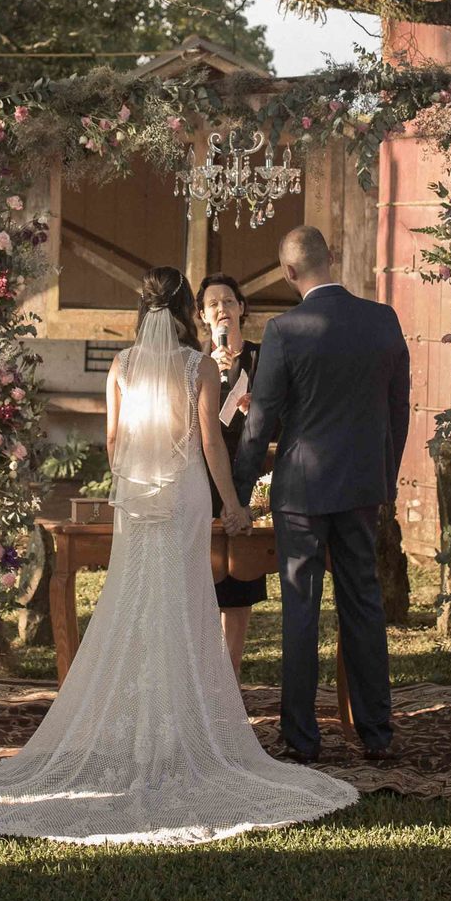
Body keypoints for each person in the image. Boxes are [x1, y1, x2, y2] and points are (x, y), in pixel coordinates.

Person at [0, 266, 356, 844]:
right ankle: (178, 728)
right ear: (187, 310)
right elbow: (208, 441)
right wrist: (233, 504)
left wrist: (130, 486)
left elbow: (113, 441)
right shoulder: (197, 365)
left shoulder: (122, 366)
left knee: (133, 600)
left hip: (137, 494)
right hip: (182, 495)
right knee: (182, 602)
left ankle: (137, 726)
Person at [233, 226, 410, 763]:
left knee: (301, 609)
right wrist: (386, 476)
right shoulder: (383, 320)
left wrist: (238, 491)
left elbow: (259, 421)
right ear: (332, 258)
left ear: (288, 273)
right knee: (364, 604)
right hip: (361, 486)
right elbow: (398, 410)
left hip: (301, 492)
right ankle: (376, 732)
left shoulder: (285, 331)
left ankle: (302, 739)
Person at [197, 271, 265, 678]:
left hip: (247, 476)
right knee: (203, 583)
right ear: (203, 316)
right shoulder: (195, 362)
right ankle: (203, 681)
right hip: (202, 479)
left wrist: (256, 409)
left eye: (228, 301)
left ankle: (231, 679)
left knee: (241, 584)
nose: (222, 309)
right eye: (212, 304)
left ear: (242, 308)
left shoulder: (263, 356)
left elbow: (282, 418)